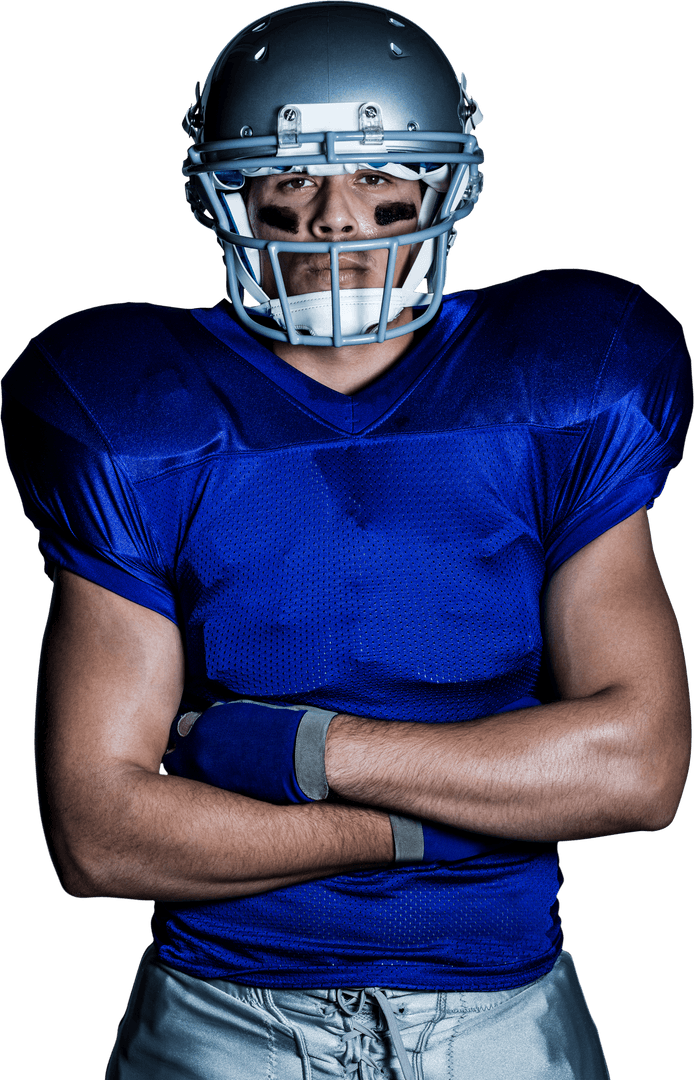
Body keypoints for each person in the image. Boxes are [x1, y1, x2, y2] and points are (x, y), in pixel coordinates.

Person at [2, 3, 691, 1078]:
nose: (334, 220)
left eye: (381, 180)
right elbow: (100, 834)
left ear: (445, 182)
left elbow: (638, 766)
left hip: (501, 1016)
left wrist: (304, 753)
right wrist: (445, 822)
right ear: (221, 191)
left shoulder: (566, 381)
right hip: (225, 1018)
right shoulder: (130, 410)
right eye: (290, 180)